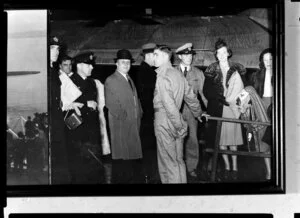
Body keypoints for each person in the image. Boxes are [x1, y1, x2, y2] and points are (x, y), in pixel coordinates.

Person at [153, 44, 204, 184]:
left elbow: (169, 106)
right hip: (177, 120)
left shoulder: (163, 76)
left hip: (166, 122)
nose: (153, 58)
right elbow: (191, 97)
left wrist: (179, 126)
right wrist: (198, 112)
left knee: (168, 163)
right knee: (178, 160)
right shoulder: (178, 74)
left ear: (164, 56)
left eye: (156, 55)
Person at [203, 38, 245, 181]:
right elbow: (206, 91)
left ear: (228, 53)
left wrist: (232, 101)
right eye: (218, 53)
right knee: (220, 141)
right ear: (216, 54)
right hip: (217, 108)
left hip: (232, 109)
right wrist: (217, 97)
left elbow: (241, 91)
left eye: (223, 52)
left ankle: (235, 168)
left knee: (232, 142)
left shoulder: (236, 69)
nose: (221, 55)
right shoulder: (211, 70)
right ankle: (227, 167)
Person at [104, 49, 144, 184]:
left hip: (133, 121)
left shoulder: (129, 78)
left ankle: (130, 181)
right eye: (123, 62)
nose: (126, 65)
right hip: (121, 123)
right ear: (117, 64)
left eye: (128, 62)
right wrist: (124, 116)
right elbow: (110, 103)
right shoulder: (111, 80)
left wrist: (139, 113)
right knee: (122, 155)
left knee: (131, 155)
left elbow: (135, 99)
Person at [65, 51, 102, 184]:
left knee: (93, 166)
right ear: (79, 66)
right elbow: (66, 106)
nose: (92, 67)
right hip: (78, 132)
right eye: (89, 65)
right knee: (79, 167)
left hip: (92, 130)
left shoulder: (92, 83)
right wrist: (86, 104)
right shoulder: (70, 82)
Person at [175, 42, 207, 179]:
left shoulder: (198, 73)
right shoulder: (172, 72)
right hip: (175, 112)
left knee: (192, 140)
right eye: (186, 55)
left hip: (192, 112)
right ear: (180, 57)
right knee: (175, 140)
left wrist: (207, 110)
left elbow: (203, 95)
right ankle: (176, 167)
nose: (189, 58)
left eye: (191, 55)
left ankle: (191, 167)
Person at [136, 42, 159, 183]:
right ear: (149, 55)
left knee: (147, 146)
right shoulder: (148, 72)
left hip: (146, 115)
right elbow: (147, 97)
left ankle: (147, 174)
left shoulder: (144, 70)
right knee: (149, 146)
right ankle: (148, 175)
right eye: (154, 55)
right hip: (149, 115)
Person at [236, 86, 271, 180]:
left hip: (261, 132)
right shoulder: (247, 103)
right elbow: (245, 119)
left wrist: (254, 126)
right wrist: (243, 110)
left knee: (265, 151)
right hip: (253, 134)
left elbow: (264, 120)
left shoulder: (257, 104)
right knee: (259, 152)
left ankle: (269, 172)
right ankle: (265, 172)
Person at [49, 36, 71, 184]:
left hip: (57, 117)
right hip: (50, 119)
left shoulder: (52, 69)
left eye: (57, 49)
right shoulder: (46, 70)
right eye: (52, 48)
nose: (56, 52)